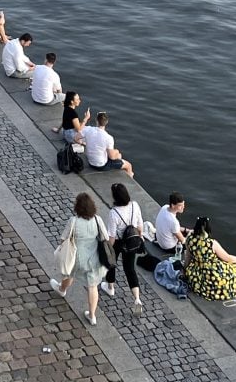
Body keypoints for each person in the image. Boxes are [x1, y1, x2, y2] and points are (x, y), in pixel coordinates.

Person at [50, 191, 109, 326]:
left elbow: (63, 238)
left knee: (69, 274)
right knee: (92, 286)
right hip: (94, 259)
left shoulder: (74, 221)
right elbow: (105, 238)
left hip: (77, 257)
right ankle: (92, 316)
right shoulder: (97, 220)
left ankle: (62, 289)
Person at [101, 182, 144, 315]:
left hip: (119, 241)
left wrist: (107, 248)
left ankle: (110, 287)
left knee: (111, 263)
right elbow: (140, 225)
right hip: (132, 240)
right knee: (130, 269)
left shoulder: (113, 213)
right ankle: (137, 299)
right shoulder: (135, 205)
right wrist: (139, 238)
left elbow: (112, 236)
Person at [183, 216, 236, 301]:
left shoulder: (189, 240)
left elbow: (188, 258)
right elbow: (227, 258)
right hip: (213, 272)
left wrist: (185, 270)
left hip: (197, 273)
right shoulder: (212, 243)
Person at [81, 112, 134, 177]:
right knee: (128, 165)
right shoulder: (108, 138)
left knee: (117, 153)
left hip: (90, 162)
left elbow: (76, 138)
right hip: (101, 166)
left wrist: (85, 143)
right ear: (107, 122)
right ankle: (130, 179)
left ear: (96, 120)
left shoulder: (88, 129)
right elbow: (112, 157)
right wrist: (117, 154)